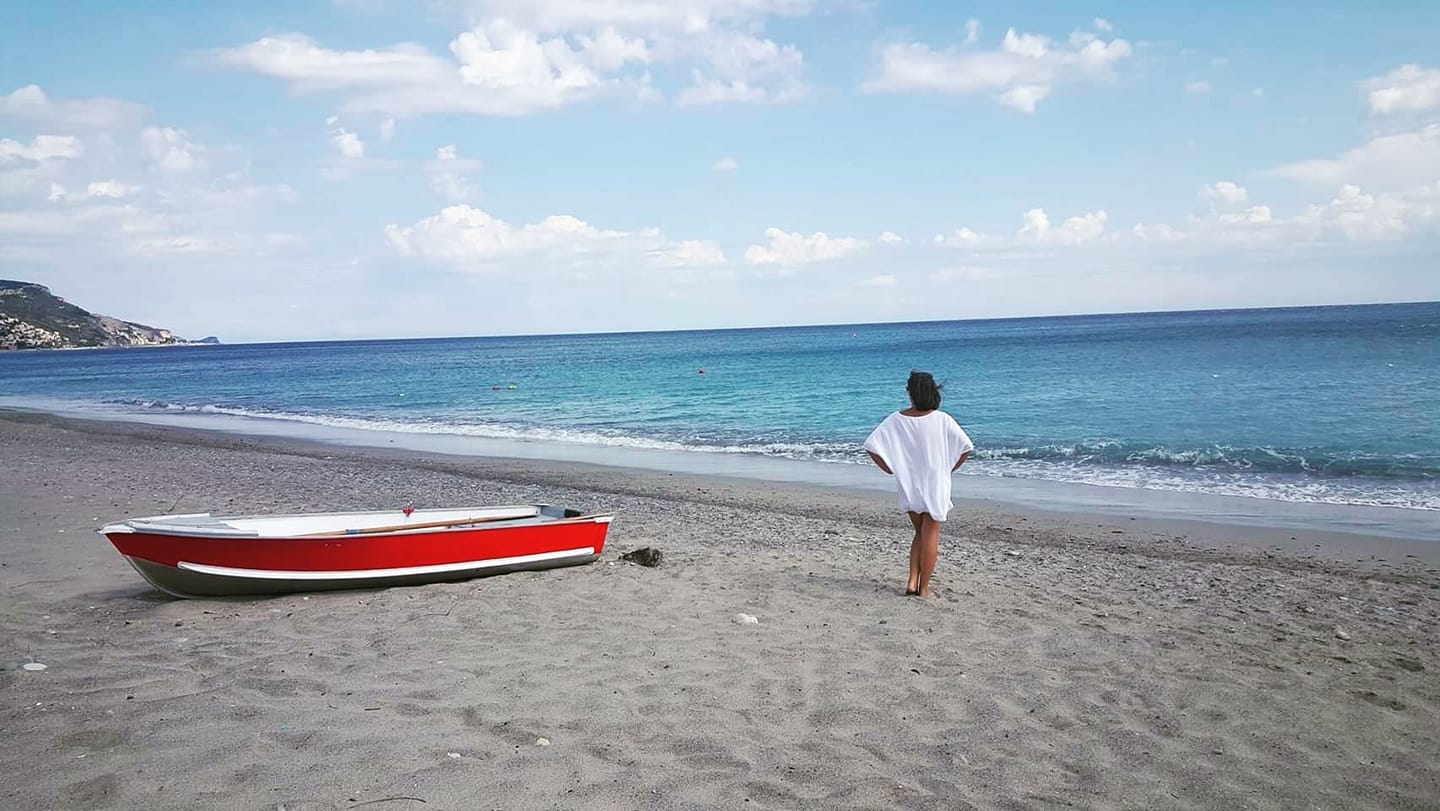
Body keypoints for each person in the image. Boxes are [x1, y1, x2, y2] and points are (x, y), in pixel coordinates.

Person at [864, 371, 974, 598]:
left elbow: (872, 446)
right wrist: (949, 468)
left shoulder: (896, 419)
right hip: (935, 482)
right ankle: (924, 589)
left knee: (920, 534)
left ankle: (912, 581)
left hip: (910, 483)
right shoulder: (942, 419)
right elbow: (966, 448)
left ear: (910, 393)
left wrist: (890, 469)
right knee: (931, 535)